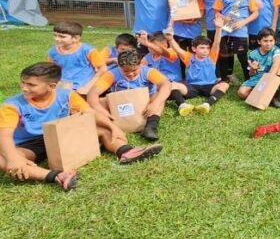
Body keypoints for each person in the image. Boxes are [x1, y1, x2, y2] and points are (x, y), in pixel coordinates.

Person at [1, 63, 163, 188]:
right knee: (5, 159)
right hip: (29, 145)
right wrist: (13, 158)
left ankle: (126, 151)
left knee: (102, 128)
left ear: (51, 86)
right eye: (23, 83)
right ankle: (57, 176)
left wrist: (113, 126)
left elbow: (90, 113)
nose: (24, 87)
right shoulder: (12, 105)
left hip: (61, 135)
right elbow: (5, 135)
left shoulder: (67, 95)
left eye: (31, 84)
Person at [86, 50, 171, 141]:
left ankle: (151, 126)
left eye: (134, 70)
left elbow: (166, 84)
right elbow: (92, 93)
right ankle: (108, 128)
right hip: (122, 104)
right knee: (100, 103)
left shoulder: (148, 71)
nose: (130, 74)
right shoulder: (112, 74)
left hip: (145, 104)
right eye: (125, 71)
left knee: (158, 95)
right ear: (119, 66)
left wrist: (155, 103)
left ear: (140, 65)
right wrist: (101, 111)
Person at [167, 17, 229, 116]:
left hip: (209, 86)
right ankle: (182, 105)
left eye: (207, 48)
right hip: (192, 87)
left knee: (225, 85)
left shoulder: (212, 56)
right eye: (202, 48)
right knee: (172, 85)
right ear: (194, 49)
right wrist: (170, 39)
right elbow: (177, 49)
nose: (205, 50)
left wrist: (218, 28)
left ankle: (207, 104)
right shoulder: (188, 57)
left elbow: (216, 43)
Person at [213, 0, 260, 82]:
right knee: (224, 57)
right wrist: (224, 18)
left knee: (243, 58)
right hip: (225, 32)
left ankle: (249, 81)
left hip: (240, 32)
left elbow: (256, 13)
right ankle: (224, 81)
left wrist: (243, 22)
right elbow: (216, 12)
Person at [47, 22, 106, 95]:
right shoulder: (52, 51)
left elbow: (103, 69)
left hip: (82, 87)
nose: (56, 39)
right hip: (63, 85)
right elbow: (51, 70)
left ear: (76, 38)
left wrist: (88, 87)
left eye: (62, 36)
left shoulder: (88, 50)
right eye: (55, 35)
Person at [237, 28, 280, 105]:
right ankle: (266, 97)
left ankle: (271, 95)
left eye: (271, 41)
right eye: (265, 41)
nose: (268, 44)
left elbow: (276, 63)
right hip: (257, 78)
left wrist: (267, 80)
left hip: (270, 77)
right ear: (259, 41)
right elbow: (251, 74)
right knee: (241, 93)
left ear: (275, 41)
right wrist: (253, 69)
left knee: (279, 66)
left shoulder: (276, 50)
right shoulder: (253, 54)